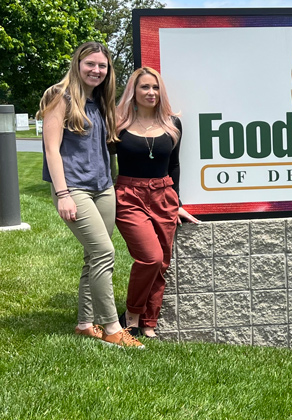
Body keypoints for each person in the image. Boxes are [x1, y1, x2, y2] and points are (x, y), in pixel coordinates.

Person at [38, 41, 144, 349]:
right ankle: (112, 327)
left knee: (93, 255)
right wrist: (63, 194)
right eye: (90, 64)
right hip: (75, 188)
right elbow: (51, 150)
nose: (96, 70)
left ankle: (85, 324)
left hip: (103, 186)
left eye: (102, 66)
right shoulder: (60, 97)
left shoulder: (99, 101)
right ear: (78, 64)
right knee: (104, 253)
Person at [114, 67, 199, 339]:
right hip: (128, 195)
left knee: (162, 262)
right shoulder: (118, 123)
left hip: (164, 195)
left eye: (155, 88)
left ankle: (149, 320)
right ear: (133, 92)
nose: (151, 93)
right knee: (150, 258)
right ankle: (132, 314)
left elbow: (174, 165)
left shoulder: (172, 124)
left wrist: (178, 203)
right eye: (144, 87)